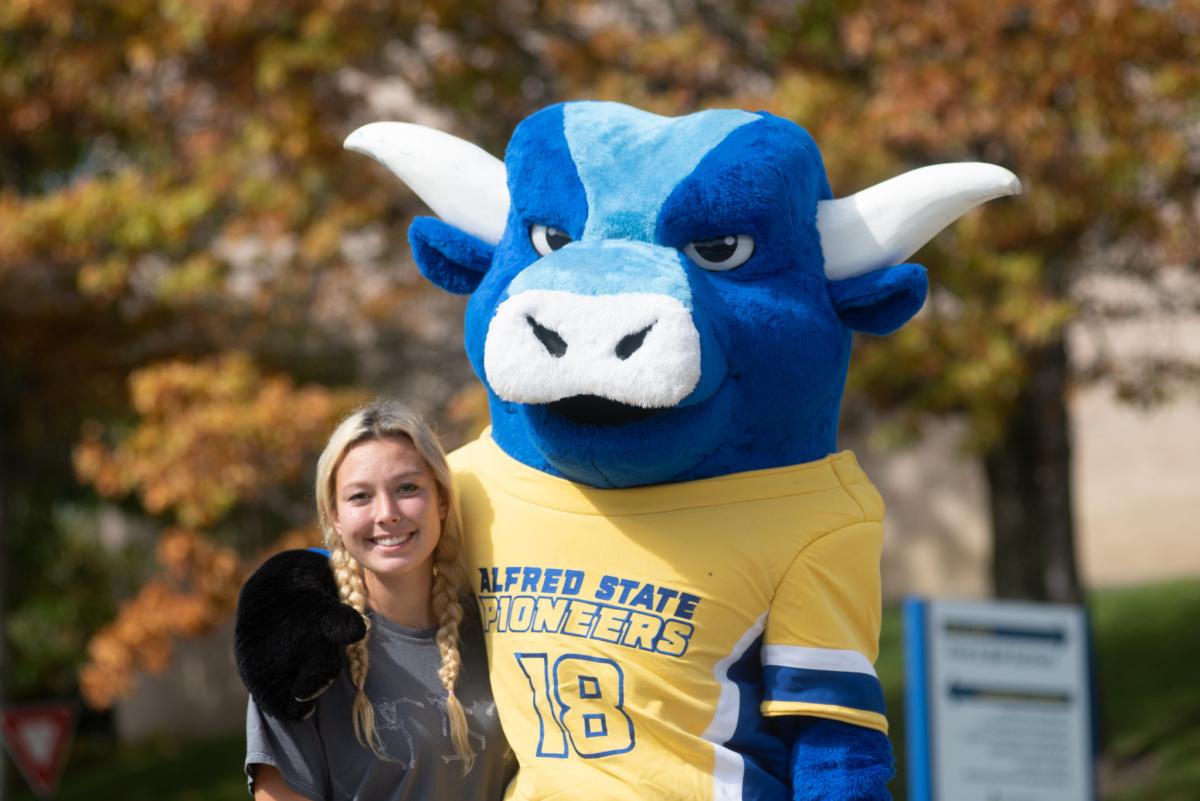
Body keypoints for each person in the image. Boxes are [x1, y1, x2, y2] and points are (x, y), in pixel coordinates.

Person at [243, 399, 513, 801]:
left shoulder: (499, 626)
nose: (386, 513)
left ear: (441, 499)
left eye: (407, 488)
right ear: (334, 515)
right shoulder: (302, 649)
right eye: (360, 497)